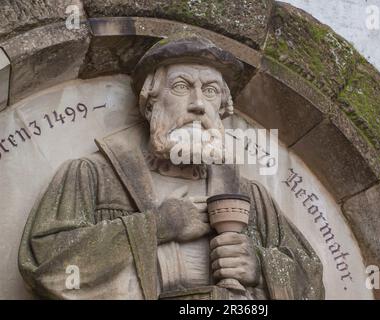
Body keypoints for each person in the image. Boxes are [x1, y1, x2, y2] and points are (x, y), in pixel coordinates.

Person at [18, 35, 324, 300]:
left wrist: (260, 266)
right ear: (150, 103)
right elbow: (46, 261)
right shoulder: (92, 175)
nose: (198, 104)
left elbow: (310, 280)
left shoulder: (251, 197)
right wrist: (159, 226)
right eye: (181, 86)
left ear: (222, 108)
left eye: (211, 91)